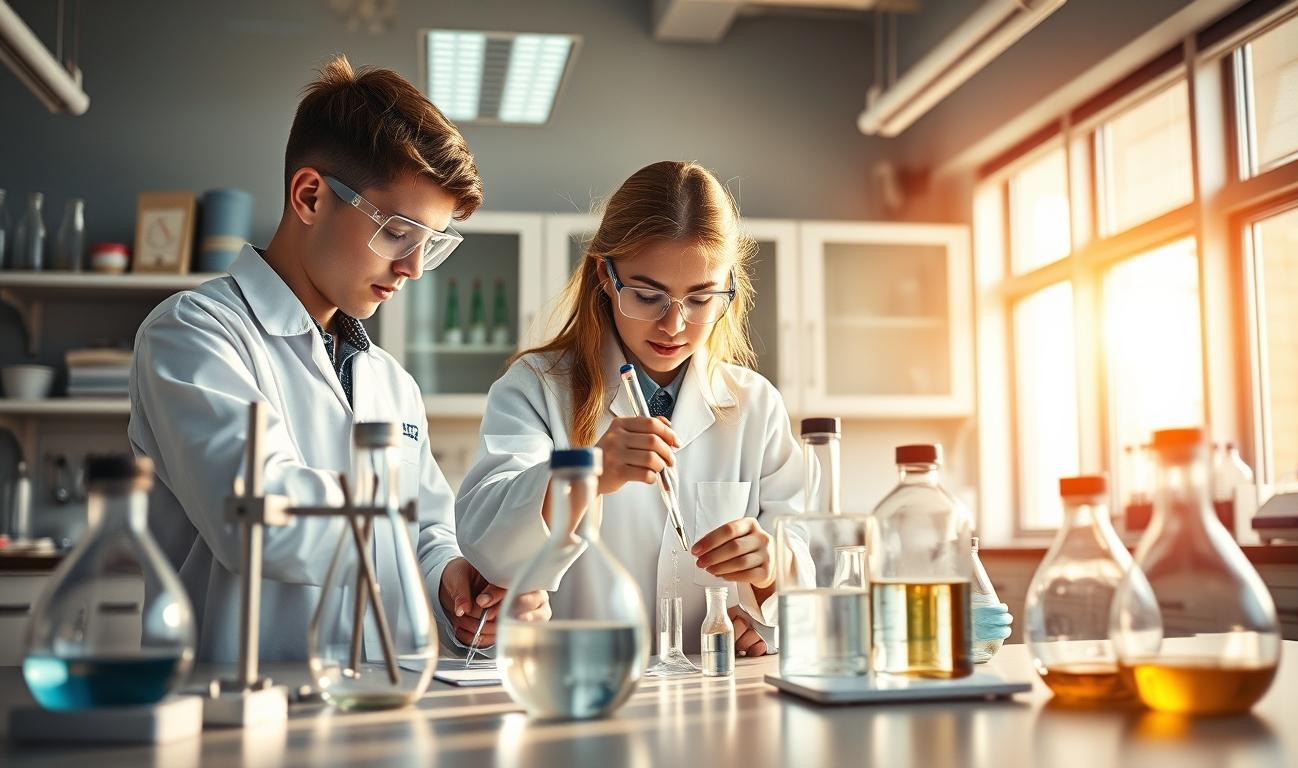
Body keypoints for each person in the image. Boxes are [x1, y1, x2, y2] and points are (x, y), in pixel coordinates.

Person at [128, 56, 547, 662]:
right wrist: (407, 535)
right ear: (310, 196)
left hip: (378, 712)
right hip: (237, 719)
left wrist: (455, 587)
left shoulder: (391, 382)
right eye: (399, 232)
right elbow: (260, 518)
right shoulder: (194, 334)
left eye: (432, 246)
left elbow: (430, 532)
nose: (412, 269)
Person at [457, 161, 802, 656]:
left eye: (701, 299)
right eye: (647, 295)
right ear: (605, 275)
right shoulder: (535, 388)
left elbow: (815, 586)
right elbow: (488, 543)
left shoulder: (755, 405)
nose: (674, 325)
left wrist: (770, 573)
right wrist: (588, 475)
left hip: (707, 696)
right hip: (577, 686)